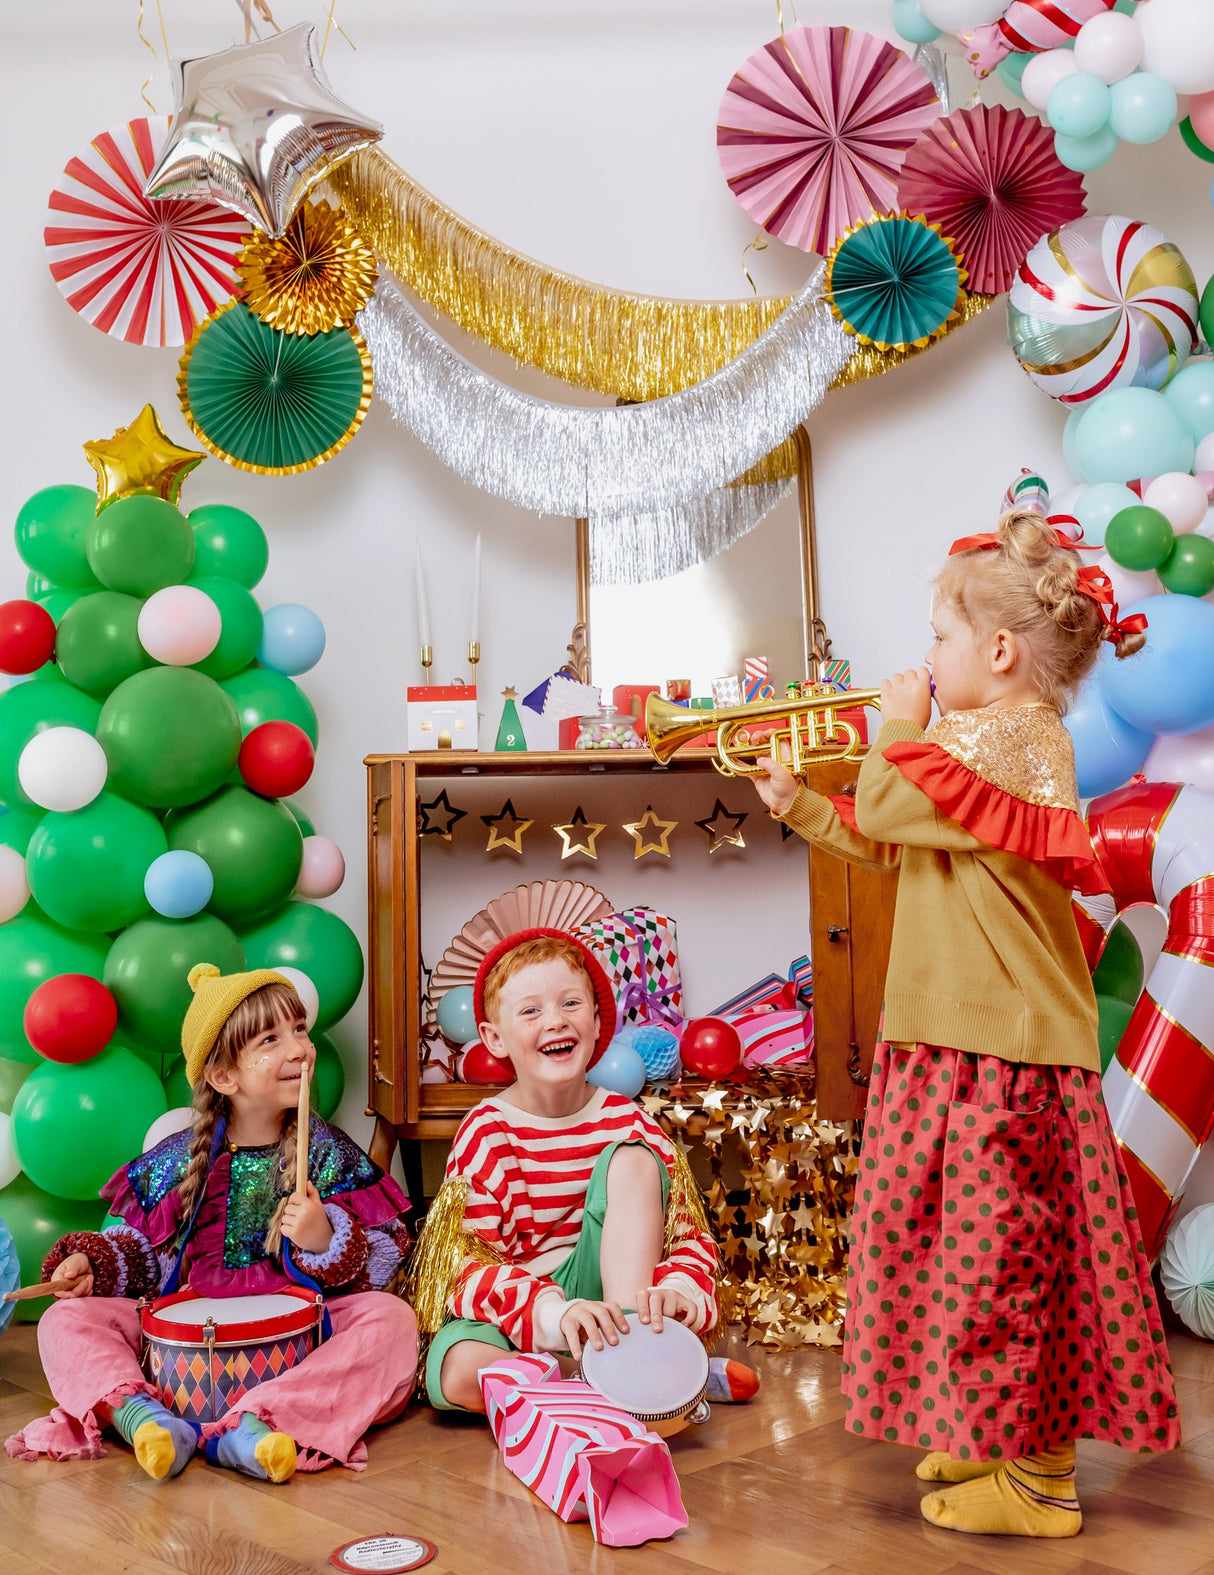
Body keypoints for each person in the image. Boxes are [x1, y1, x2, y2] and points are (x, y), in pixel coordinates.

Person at [752, 510, 1180, 1538]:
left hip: (1001, 1052)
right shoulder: (966, 746)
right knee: (960, 1256)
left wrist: (891, 731)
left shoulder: (1016, 740)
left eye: (936, 639)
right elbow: (902, 840)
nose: (923, 661)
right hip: (948, 1041)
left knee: (1006, 1262)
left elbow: (899, 799)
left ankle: (1036, 1477)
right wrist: (802, 808)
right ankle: (995, 1433)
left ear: (996, 651)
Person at [6, 965, 418, 1482]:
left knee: (392, 1320)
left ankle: (254, 1424)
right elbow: (141, 1256)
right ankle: (146, 1418)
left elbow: (386, 1260)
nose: (298, 1049)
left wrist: (326, 1239)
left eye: (300, 1030)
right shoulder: (178, 1161)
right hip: (184, 1353)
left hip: (299, 1345)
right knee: (62, 1322)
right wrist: (93, 1264)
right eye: (271, 1039)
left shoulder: (328, 1151)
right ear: (224, 1076)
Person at [411, 927, 755, 1413]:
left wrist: (677, 1291)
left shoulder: (629, 1120)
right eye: (530, 1011)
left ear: (597, 1023)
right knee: (458, 1372)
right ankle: (646, 1384)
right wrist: (554, 1312)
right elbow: (465, 1270)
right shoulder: (487, 1131)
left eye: (570, 1004)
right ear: (494, 1038)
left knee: (634, 1158)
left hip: (621, 1304)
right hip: (530, 1311)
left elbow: (688, 1238)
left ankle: (640, 1358)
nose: (554, 1021)